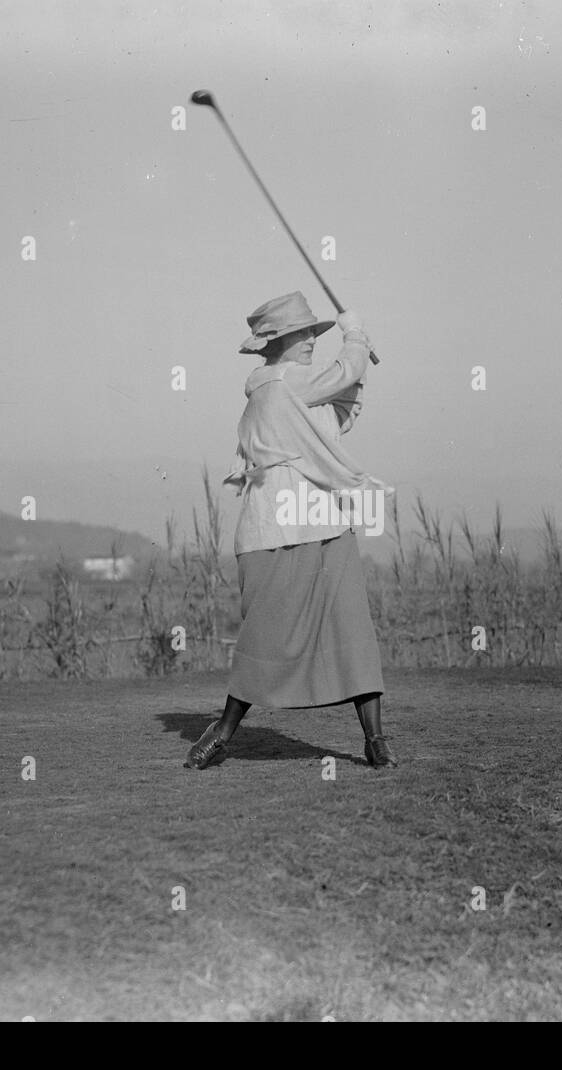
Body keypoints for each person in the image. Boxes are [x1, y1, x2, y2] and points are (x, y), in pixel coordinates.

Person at [184, 291, 398, 771]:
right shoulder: (281, 382)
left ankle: (376, 740)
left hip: (324, 522)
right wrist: (355, 335)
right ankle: (221, 733)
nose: (310, 340)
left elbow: (338, 408)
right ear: (276, 342)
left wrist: (356, 363)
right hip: (278, 528)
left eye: (311, 333)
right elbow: (342, 375)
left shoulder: (299, 387)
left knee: (351, 628)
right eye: (301, 334)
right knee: (264, 637)